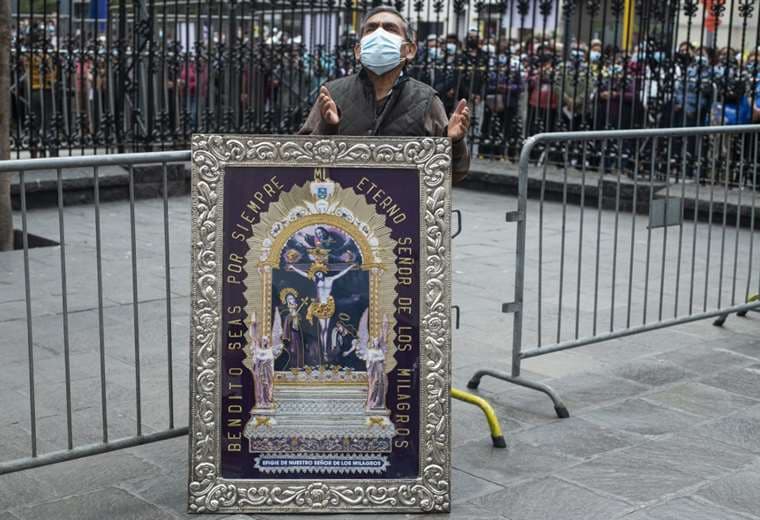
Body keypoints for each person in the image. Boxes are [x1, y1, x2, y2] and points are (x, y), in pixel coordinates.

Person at [298, 6, 471, 182]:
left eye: (390, 29)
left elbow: (454, 174)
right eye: (371, 29)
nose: (379, 34)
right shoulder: (332, 94)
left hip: (401, 199)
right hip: (342, 197)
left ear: (410, 50)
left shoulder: (426, 100)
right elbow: (298, 161)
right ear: (358, 51)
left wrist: (454, 142)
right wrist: (327, 127)